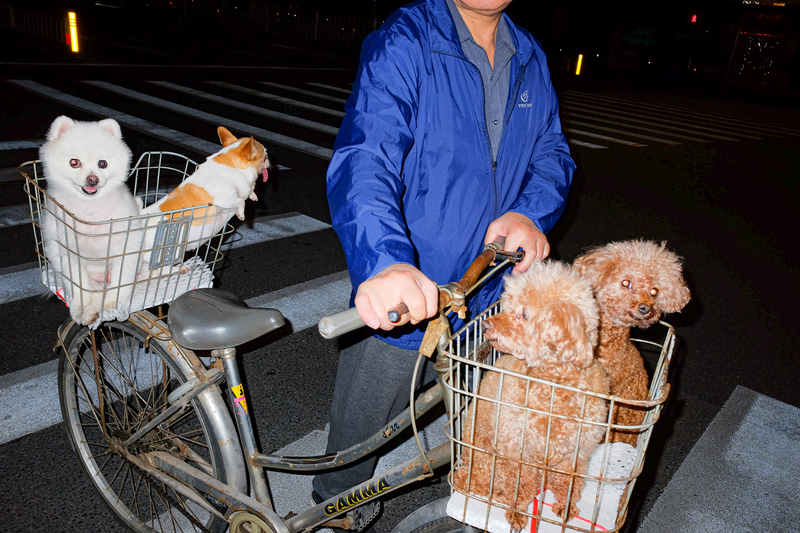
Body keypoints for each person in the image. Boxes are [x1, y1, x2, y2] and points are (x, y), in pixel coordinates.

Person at [312, 0, 576, 529]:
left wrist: (529, 212)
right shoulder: (408, 39)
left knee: (482, 431)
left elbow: (552, 151)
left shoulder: (530, 56)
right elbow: (368, 152)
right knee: (354, 451)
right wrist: (384, 262)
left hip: (487, 290)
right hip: (411, 292)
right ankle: (334, 514)